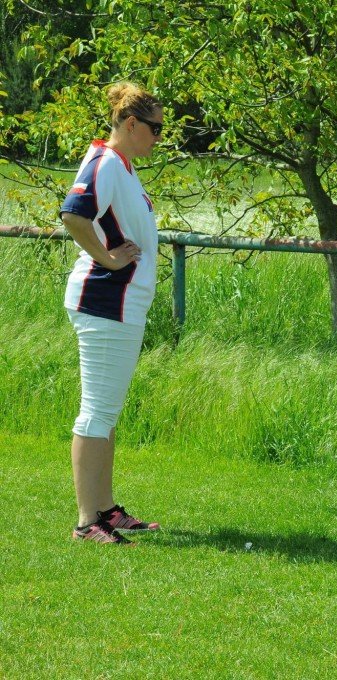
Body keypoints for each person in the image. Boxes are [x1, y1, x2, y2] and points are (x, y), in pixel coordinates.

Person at [59, 82, 164, 544]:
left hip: (121, 305)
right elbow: (74, 214)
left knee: (107, 411)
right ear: (131, 123)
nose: (159, 138)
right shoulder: (104, 161)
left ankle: (105, 509)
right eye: (156, 129)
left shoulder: (123, 166)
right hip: (105, 302)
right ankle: (87, 523)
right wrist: (107, 258)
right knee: (96, 412)